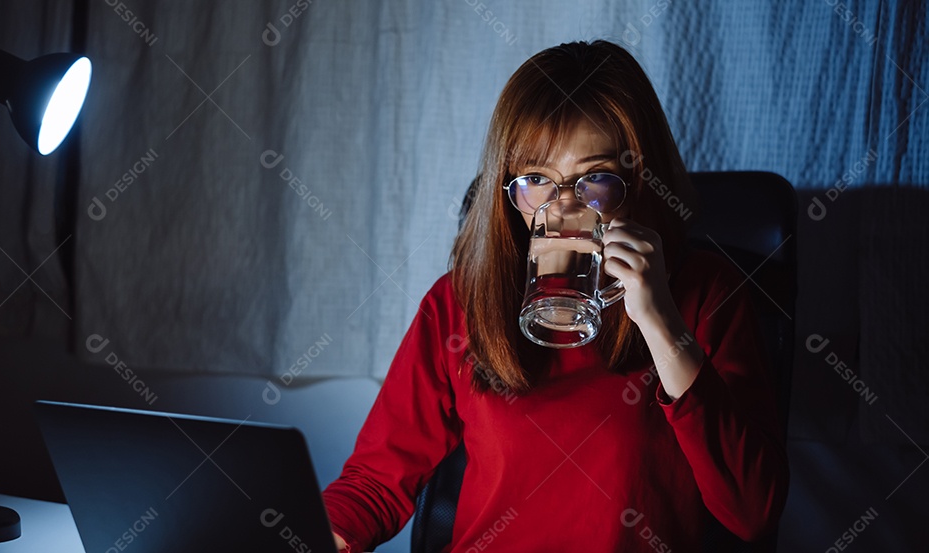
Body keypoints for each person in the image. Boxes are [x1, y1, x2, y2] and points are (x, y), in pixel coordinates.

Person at [322, 40, 788, 553]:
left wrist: (661, 322)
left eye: (595, 180)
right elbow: (374, 483)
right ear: (509, 190)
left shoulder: (706, 293)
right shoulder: (459, 302)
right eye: (537, 180)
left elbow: (753, 514)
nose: (563, 209)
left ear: (638, 179)